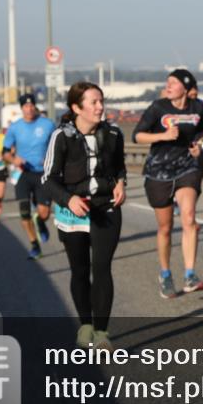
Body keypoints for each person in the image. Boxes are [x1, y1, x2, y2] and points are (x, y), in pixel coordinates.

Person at [43, 82, 126, 351]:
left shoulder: (113, 134)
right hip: (73, 212)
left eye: (101, 101)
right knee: (80, 270)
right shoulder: (61, 137)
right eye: (93, 102)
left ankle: (102, 332)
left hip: (106, 208)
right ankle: (85, 325)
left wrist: (121, 183)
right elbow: (48, 179)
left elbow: (120, 168)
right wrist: (69, 199)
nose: (100, 107)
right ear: (76, 107)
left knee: (102, 268)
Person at [133, 69, 203, 298]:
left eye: (173, 83)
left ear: (185, 87)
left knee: (189, 217)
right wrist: (162, 136)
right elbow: (137, 136)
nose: (168, 86)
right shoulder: (158, 107)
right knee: (165, 227)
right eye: (167, 82)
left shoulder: (197, 108)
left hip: (187, 167)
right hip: (159, 171)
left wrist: (198, 146)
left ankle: (189, 274)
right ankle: (165, 274)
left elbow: (201, 133)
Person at [3, 94, 56, 259]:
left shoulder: (48, 125)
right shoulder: (15, 127)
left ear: (35, 106)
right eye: (25, 106)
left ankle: (40, 222)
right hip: (23, 173)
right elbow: (4, 152)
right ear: (21, 108)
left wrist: (50, 158)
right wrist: (13, 159)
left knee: (45, 213)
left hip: (43, 173)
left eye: (32, 105)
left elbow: (59, 146)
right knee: (24, 212)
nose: (29, 109)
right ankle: (34, 245)